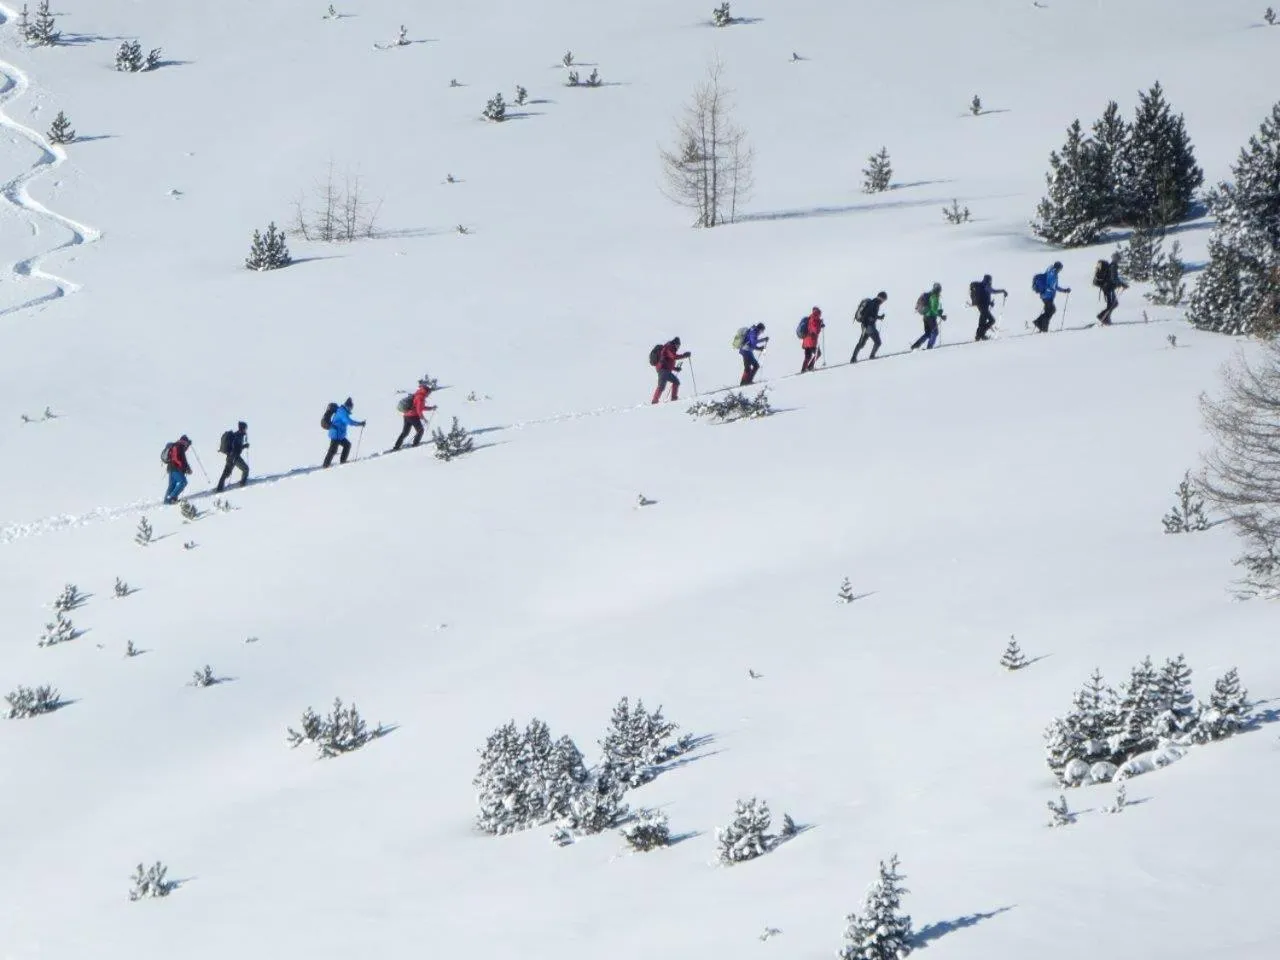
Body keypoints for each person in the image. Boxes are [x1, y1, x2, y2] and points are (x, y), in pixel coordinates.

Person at [393, 378, 437, 450]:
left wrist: (431, 408)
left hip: (406, 415)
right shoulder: (420, 397)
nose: (429, 394)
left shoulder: (417, 394)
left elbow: (420, 407)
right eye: (429, 393)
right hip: (413, 416)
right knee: (420, 430)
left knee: (405, 432)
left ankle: (397, 446)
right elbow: (419, 410)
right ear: (426, 391)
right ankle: (415, 444)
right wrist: (423, 419)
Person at [324, 397, 366, 467]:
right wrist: (359, 424)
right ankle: (325, 465)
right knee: (333, 450)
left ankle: (342, 461)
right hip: (336, 434)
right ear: (348, 406)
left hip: (339, 435)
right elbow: (349, 422)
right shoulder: (342, 412)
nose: (351, 409)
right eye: (351, 407)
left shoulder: (343, 411)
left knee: (347, 445)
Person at [1033, 261, 1071, 332]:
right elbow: (1051, 286)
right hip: (1046, 296)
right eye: (1060, 269)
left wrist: (1064, 290)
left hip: (1048, 296)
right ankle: (1041, 325)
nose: (1060, 270)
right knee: (1051, 310)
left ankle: (1041, 325)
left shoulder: (1053, 274)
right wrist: (1049, 291)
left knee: (1050, 310)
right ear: (1057, 268)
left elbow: (1055, 286)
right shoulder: (1051, 274)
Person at [850, 292, 888, 362]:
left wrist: (879, 317)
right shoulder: (875, 303)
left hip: (865, 326)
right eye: (884, 299)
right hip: (869, 326)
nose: (883, 301)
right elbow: (868, 315)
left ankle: (853, 358)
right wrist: (871, 320)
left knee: (861, 344)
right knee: (878, 342)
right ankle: (872, 356)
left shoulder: (873, 302)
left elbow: (871, 314)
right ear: (881, 297)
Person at [652, 337, 691, 403]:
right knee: (661, 386)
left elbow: (667, 363)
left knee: (676, 382)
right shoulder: (669, 347)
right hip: (663, 370)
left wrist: (675, 369)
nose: (678, 347)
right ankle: (654, 401)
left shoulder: (670, 348)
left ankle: (674, 398)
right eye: (678, 345)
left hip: (665, 370)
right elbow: (674, 357)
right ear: (675, 344)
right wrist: (684, 355)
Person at [969, 274, 1007, 341]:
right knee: (992, 320)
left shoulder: (982, 286)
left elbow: (984, 297)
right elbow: (993, 291)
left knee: (982, 322)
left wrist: (990, 303)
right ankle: (980, 334)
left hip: (981, 306)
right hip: (983, 307)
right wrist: (1003, 291)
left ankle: (979, 336)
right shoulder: (986, 286)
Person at [910, 283, 946, 351]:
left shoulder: (930, 295)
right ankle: (929, 348)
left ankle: (915, 346)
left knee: (928, 333)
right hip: (931, 317)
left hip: (925, 316)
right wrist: (941, 315)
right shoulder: (934, 297)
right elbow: (934, 309)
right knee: (935, 332)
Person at [215, 421, 249, 492]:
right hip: (235, 457)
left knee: (226, 473)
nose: (246, 429)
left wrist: (243, 446)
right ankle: (242, 484)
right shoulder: (239, 435)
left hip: (230, 457)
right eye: (245, 428)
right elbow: (237, 448)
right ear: (243, 428)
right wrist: (244, 446)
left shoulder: (236, 434)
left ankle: (219, 488)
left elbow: (236, 447)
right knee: (246, 469)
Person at [1094, 257, 1129, 325]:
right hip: (1108, 287)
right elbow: (1114, 278)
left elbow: (1113, 278)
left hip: (1107, 287)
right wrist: (1122, 284)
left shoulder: (1111, 265)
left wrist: (1121, 284)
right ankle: (1103, 317)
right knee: (1112, 304)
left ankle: (1104, 317)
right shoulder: (1114, 266)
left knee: (1113, 304)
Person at [163, 435, 193, 504]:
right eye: (186, 442)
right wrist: (186, 468)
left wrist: (188, 445)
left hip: (170, 468)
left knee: (172, 484)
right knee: (183, 482)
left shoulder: (177, 445)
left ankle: (167, 501)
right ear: (184, 441)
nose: (186, 444)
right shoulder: (179, 446)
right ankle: (171, 497)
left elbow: (182, 452)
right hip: (175, 468)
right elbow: (179, 459)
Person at [800, 306, 823, 373]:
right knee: (818, 353)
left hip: (806, 340)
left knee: (808, 356)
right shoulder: (814, 319)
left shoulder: (810, 318)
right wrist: (820, 325)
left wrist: (819, 322)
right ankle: (810, 367)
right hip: (811, 341)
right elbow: (816, 330)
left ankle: (804, 369)